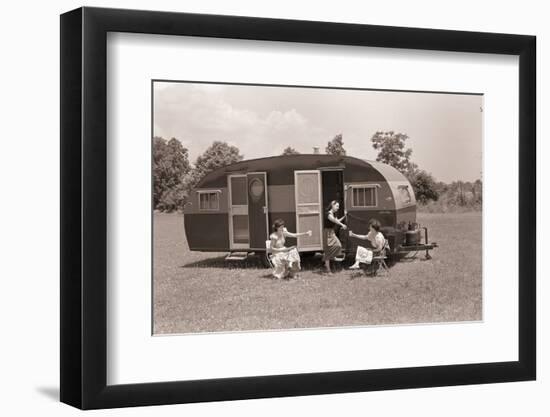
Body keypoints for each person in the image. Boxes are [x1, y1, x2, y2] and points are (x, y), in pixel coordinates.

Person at [322, 200, 347, 273]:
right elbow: (334, 220)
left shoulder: (333, 214)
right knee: (328, 249)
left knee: (338, 245)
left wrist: (344, 217)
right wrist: (342, 225)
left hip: (331, 232)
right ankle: (328, 269)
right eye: (337, 206)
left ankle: (328, 259)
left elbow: (337, 220)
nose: (338, 208)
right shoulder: (328, 214)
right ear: (332, 205)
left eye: (338, 206)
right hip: (327, 232)